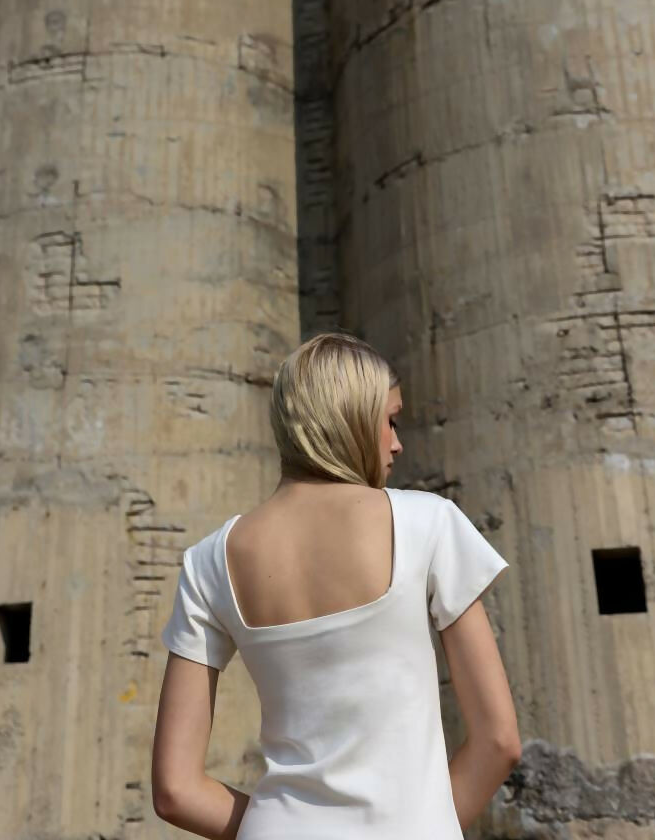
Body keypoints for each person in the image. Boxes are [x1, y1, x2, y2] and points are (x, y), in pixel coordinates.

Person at [151, 331, 521, 838]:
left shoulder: (208, 561)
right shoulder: (427, 523)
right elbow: (499, 741)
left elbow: (175, 791)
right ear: (350, 415)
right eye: (389, 420)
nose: (397, 442)